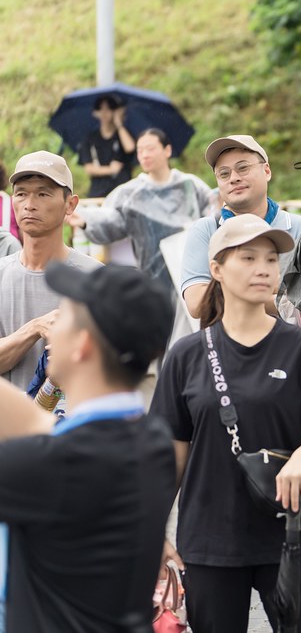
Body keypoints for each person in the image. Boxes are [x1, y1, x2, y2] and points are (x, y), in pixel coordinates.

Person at [153, 214, 301, 633]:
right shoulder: (185, 355)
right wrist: (152, 530)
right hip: (209, 539)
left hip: (290, 533)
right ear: (217, 270)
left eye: (271, 259)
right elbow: (170, 455)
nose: (263, 268)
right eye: (248, 258)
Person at [0, 262, 177, 632]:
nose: (50, 326)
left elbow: (50, 447)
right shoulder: (152, 442)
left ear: (82, 345)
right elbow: (38, 424)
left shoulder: (52, 465)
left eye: (63, 316)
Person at [68, 127, 216, 299]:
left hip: (193, 273)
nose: (144, 155)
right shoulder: (131, 193)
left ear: (167, 150)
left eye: (150, 149)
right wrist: (86, 220)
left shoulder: (190, 186)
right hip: (153, 278)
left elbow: (212, 216)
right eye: (140, 150)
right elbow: (112, 220)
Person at [180, 134, 301, 319]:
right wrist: (280, 295)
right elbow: (197, 304)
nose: (234, 178)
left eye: (243, 168)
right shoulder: (205, 230)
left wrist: (231, 288)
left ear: (267, 171)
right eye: (224, 174)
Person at [0, 151, 100, 390]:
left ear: (70, 204)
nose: (29, 205)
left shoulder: (97, 279)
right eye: (21, 194)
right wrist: (34, 328)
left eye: (43, 194)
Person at [77, 93, 136, 198]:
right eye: (101, 109)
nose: (105, 113)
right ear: (96, 112)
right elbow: (89, 168)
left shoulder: (123, 135)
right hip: (98, 192)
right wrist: (110, 170)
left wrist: (119, 124)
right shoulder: (90, 138)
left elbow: (130, 147)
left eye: (109, 109)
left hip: (122, 192)